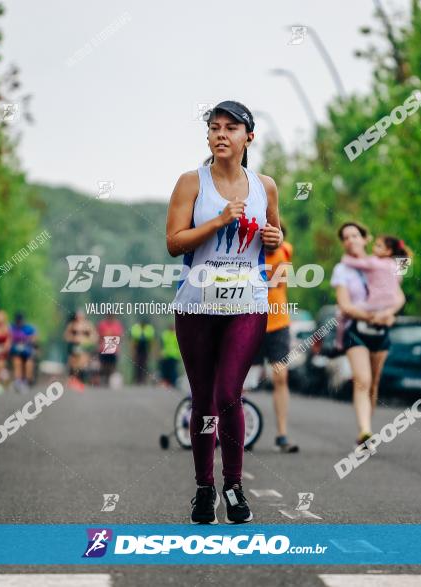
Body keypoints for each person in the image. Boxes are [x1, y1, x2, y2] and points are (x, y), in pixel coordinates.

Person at [166, 100, 282, 524]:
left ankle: (233, 486)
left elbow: (274, 235)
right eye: (214, 127)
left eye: (230, 128)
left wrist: (274, 237)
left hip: (246, 303)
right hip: (197, 304)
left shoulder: (265, 185)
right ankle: (203, 488)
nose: (220, 134)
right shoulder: (190, 183)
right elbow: (175, 242)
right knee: (203, 400)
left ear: (248, 137)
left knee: (229, 394)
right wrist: (216, 222)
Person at [330, 222, 405, 448]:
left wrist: (389, 314)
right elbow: (345, 305)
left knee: (373, 385)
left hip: (381, 331)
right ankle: (365, 430)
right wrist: (369, 317)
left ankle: (365, 433)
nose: (351, 240)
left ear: (366, 239)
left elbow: (398, 297)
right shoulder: (342, 270)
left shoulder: (385, 265)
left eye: (355, 235)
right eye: (346, 237)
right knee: (362, 381)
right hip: (356, 330)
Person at [253, 223, 299, 453]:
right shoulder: (252, 254)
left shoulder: (285, 250)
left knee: (281, 376)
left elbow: (282, 242)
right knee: (240, 379)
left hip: (279, 323)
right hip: (251, 320)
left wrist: (277, 237)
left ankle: (282, 434)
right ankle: (230, 430)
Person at [340, 234, 412, 312]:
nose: (374, 248)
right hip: (392, 303)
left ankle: (340, 324)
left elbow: (350, 261)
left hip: (375, 303)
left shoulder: (374, 262)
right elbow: (399, 280)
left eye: (378, 246)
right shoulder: (394, 264)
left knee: (345, 311)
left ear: (388, 251)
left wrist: (345, 256)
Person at [63, 309, 95, 391]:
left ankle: (82, 381)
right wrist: (73, 338)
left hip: (84, 347)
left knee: (82, 364)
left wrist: (87, 340)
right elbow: (66, 335)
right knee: (73, 364)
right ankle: (73, 380)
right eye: (78, 315)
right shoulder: (72, 325)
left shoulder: (88, 325)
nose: (79, 317)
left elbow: (93, 336)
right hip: (73, 347)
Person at [10, 312, 37, 392]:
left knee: (28, 363)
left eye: (20, 320)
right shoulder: (12, 327)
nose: (19, 322)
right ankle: (18, 381)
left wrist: (29, 340)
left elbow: (34, 338)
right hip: (16, 351)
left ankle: (26, 381)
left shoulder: (29, 328)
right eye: (18, 320)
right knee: (17, 361)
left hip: (27, 351)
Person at [97, 313, 124, 388]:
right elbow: (99, 335)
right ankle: (104, 379)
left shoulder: (117, 324)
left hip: (114, 348)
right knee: (104, 365)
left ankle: (109, 380)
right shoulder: (102, 324)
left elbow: (120, 335)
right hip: (104, 347)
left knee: (112, 366)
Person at [129, 319, 154, 384]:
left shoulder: (149, 329)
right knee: (137, 365)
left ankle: (143, 379)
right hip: (138, 349)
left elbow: (151, 342)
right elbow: (133, 341)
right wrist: (133, 351)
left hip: (145, 350)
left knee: (144, 365)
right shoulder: (136, 329)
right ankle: (137, 379)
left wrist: (151, 352)